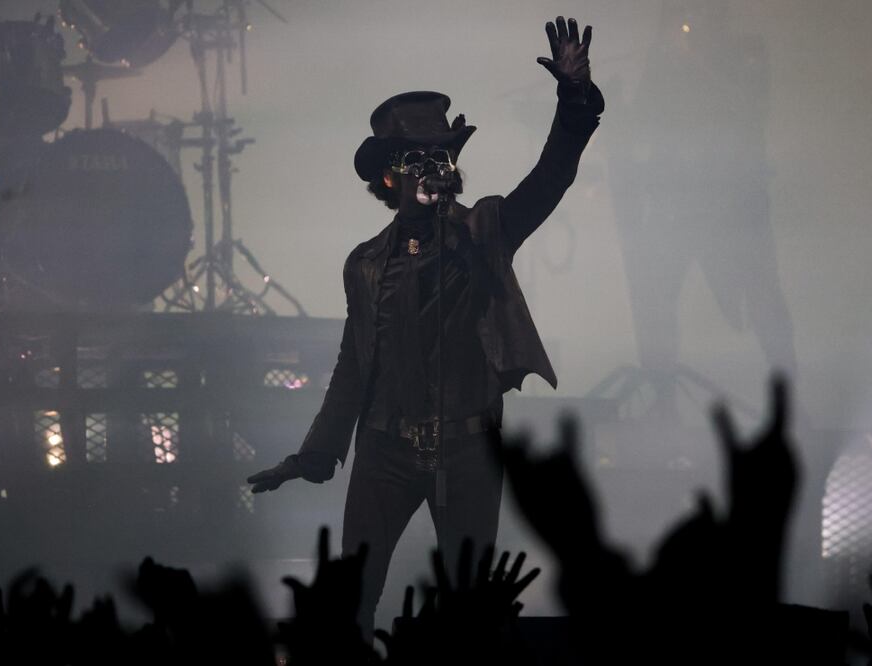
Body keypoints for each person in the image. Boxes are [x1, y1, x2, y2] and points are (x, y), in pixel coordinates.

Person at [247, 15, 604, 635]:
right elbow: (354, 366)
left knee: (470, 606)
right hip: (384, 449)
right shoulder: (364, 264)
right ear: (391, 177)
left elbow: (552, 178)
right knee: (352, 597)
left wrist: (573, 100)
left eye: (442, 155)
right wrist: (313, 455)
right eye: (418, 158)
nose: (434, 167)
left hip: (468, 448)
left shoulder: (483, 232)